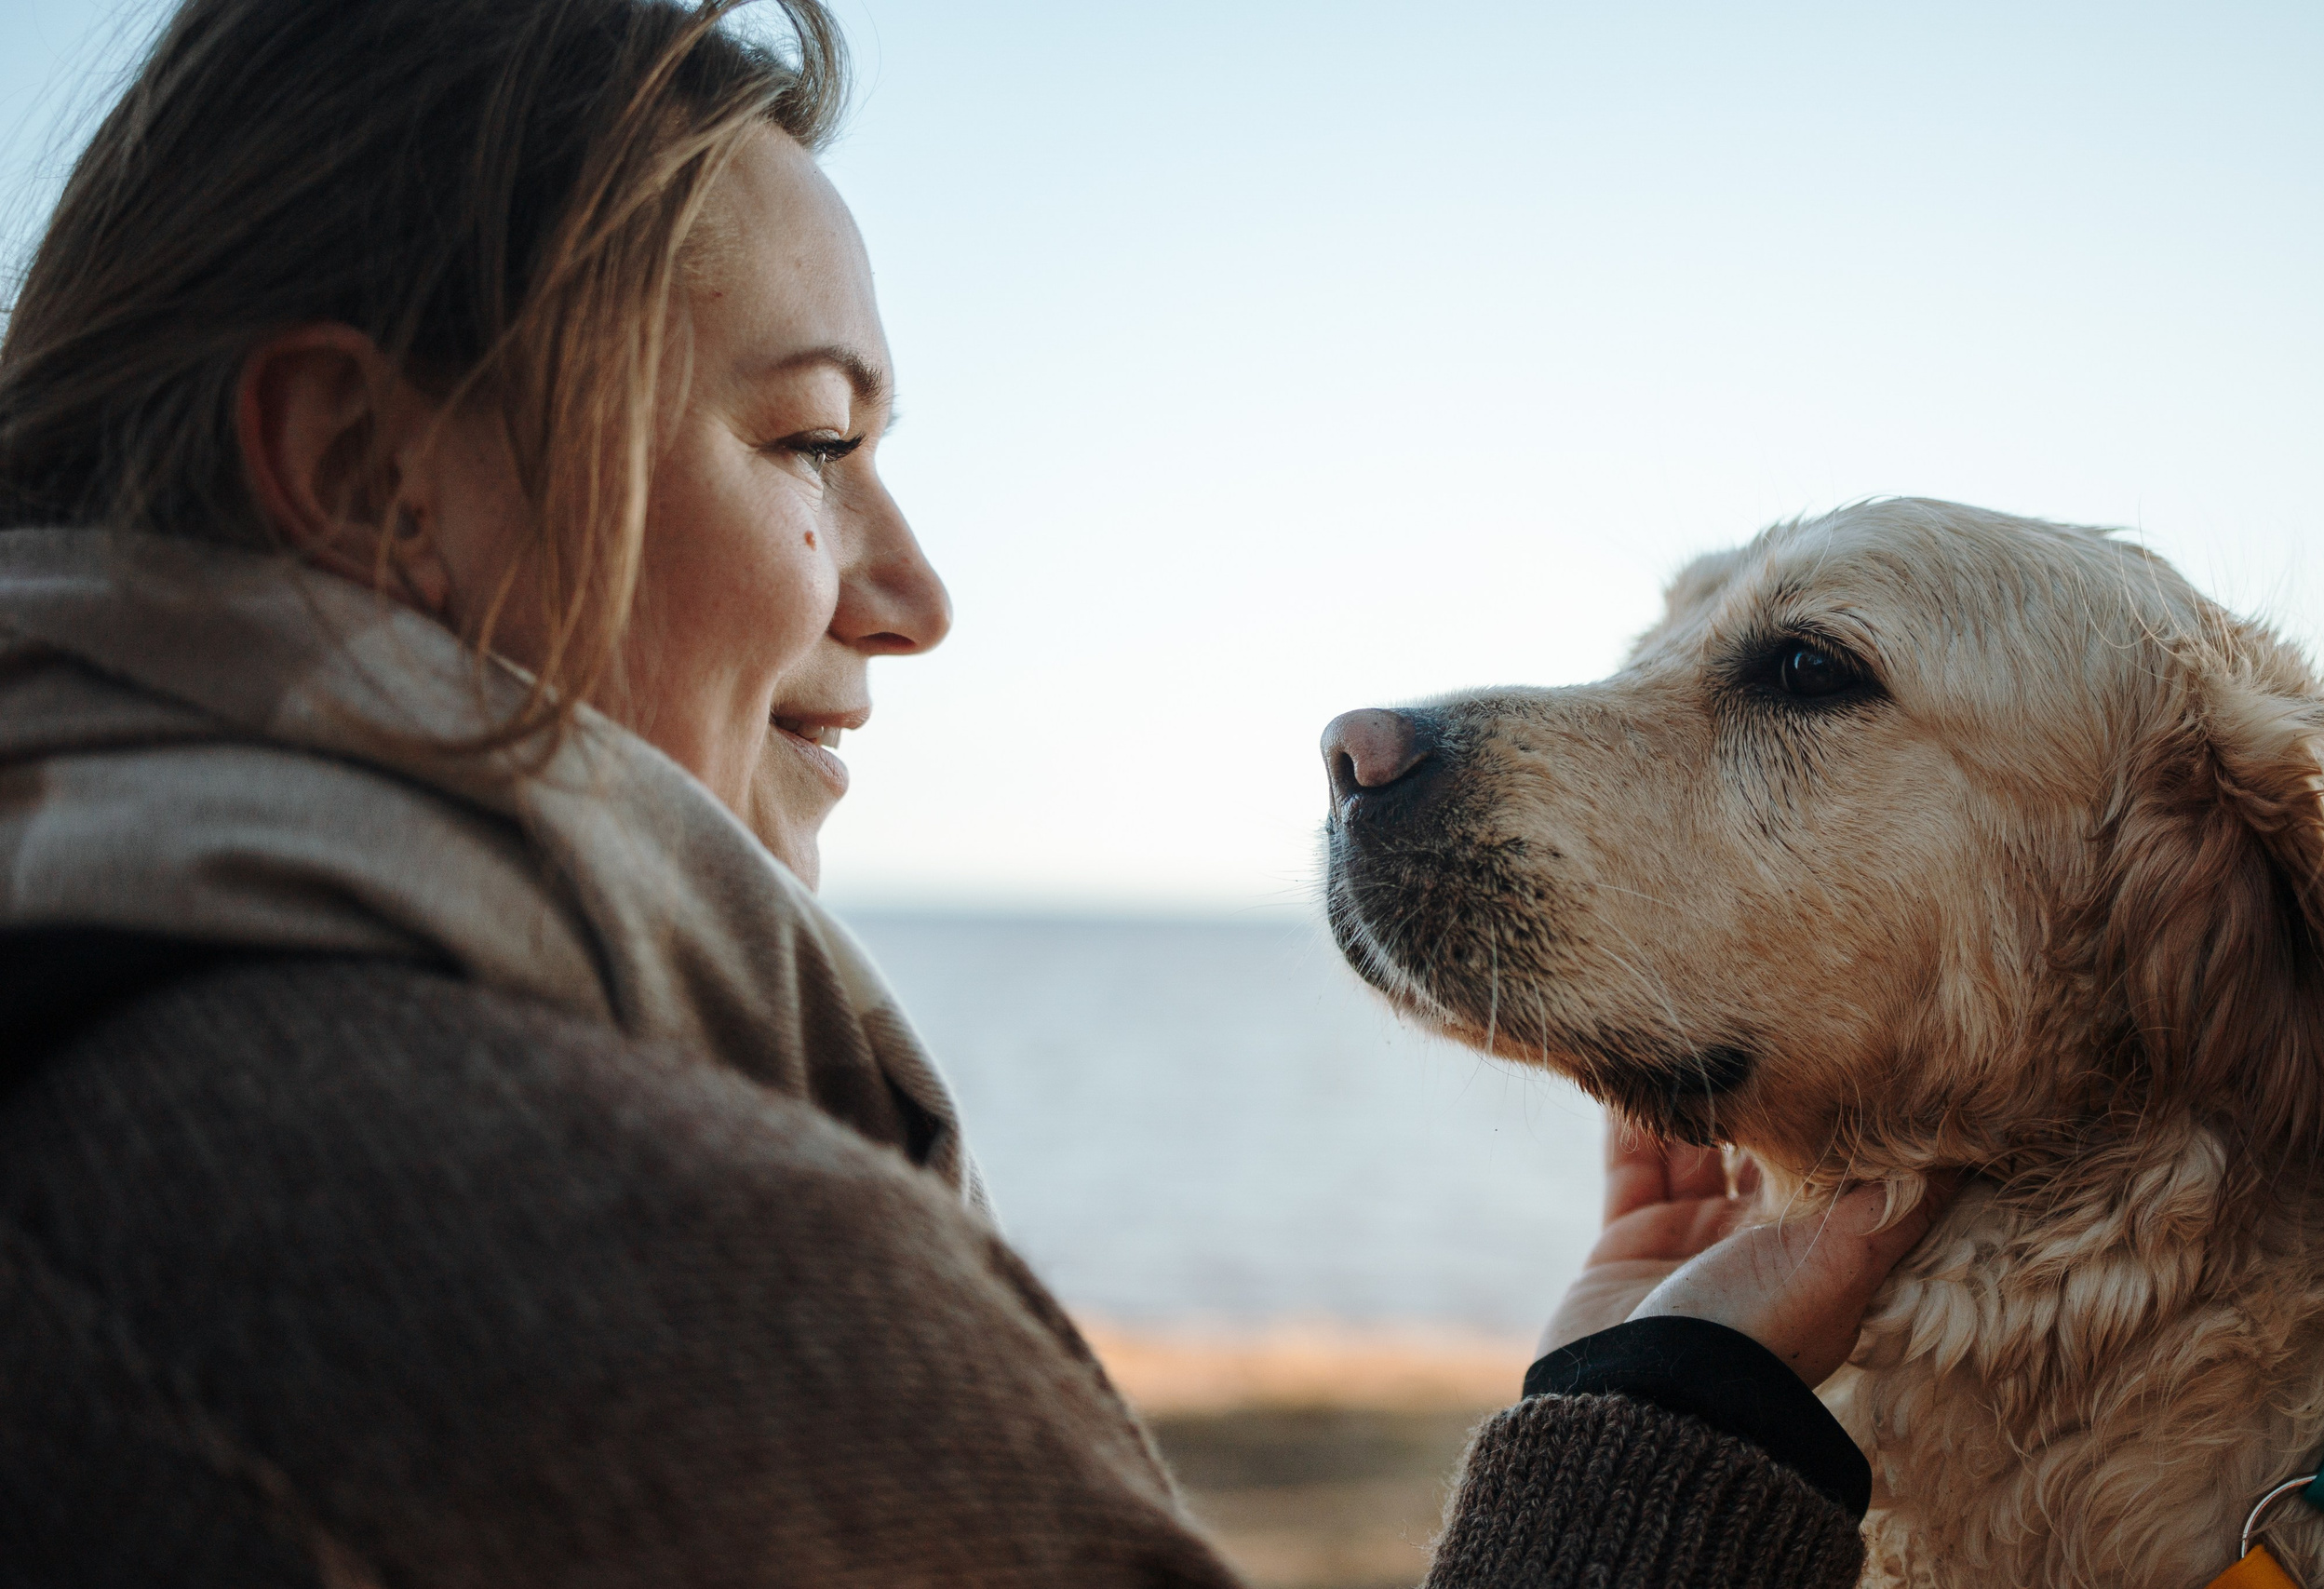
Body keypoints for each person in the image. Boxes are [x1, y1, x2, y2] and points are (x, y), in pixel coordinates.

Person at [0, 1, 1950, 1583]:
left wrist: (1612, 1392)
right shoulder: (578, 1247)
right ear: (358, 468)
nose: (914, 596)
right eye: (809, 438)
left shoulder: (96, 999)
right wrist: (1669, 1446)